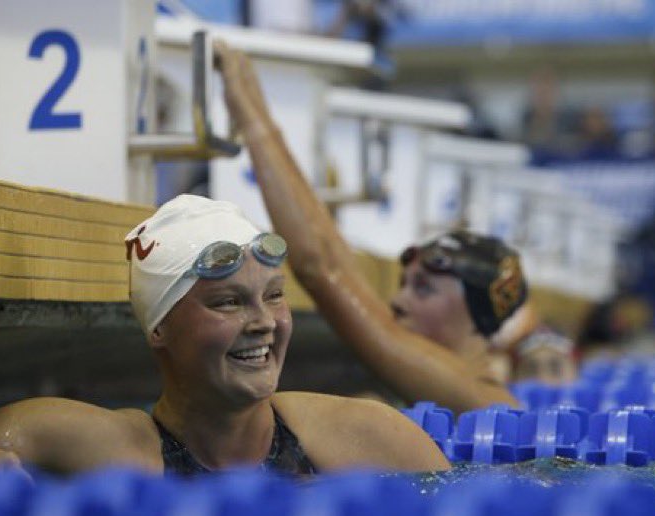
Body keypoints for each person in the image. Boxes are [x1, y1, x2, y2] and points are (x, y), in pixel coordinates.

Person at [0, 196, 449, 488]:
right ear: (158, 327)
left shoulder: (366, 437)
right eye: (228, 302)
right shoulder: (99, 445)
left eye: (273, 296)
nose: (264, 322)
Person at [214, 42, 528, 415]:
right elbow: (336, 262)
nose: (397, 302)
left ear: (478, 320)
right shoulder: (439, 386)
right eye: (404, 284)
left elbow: (321, 268)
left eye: (423, 289)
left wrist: (253, 120)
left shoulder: (486, 402)